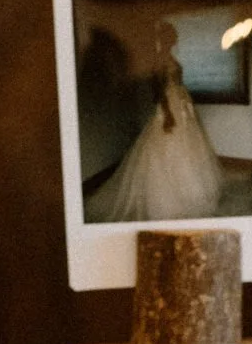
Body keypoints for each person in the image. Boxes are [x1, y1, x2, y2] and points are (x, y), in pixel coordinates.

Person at [85, 20, 225, 223]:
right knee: (168, 145)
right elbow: (158, 91)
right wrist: (168, 114)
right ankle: (171, 199)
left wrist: (185, 103)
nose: (176, 38)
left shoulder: (171, 57)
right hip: (169, 105)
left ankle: (192, 191)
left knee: (188, 145)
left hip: (181, 104)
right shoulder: (159, 60)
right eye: (172, 35)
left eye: (175, 35)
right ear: (165, 38)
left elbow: (178, 82)